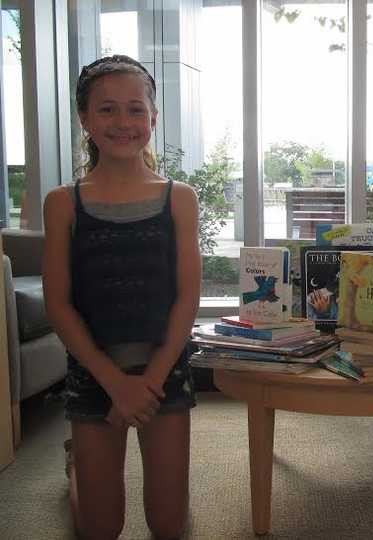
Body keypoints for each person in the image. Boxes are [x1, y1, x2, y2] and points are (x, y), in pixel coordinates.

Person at [43, 55, 201, 539]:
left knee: (168, 526)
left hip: (163, 371)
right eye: (107, 110)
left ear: (153, 118)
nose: (123, 122)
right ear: (85, 119)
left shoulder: (180, 197)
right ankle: (78, 474)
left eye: (136, 109)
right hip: (94, 373)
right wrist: (115, 383)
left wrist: (147, 382)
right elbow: (60, 305)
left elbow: (187, 298)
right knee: (102, 529)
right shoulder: (64, 202)